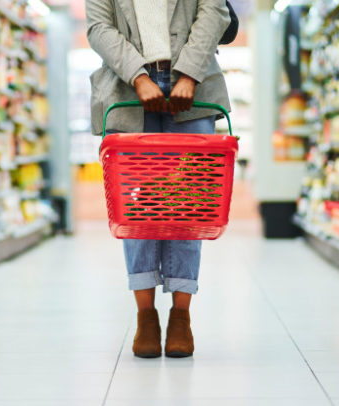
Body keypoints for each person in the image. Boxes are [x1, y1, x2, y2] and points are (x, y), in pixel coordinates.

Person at [86, 0, 231, 358]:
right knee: (137, 207)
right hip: (126, 88)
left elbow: (215, 12)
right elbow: (98, 26)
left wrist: (189, 73)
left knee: (188, 204)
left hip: (193, 87)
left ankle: (181, 317)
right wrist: (137, 75)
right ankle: (145, 316)